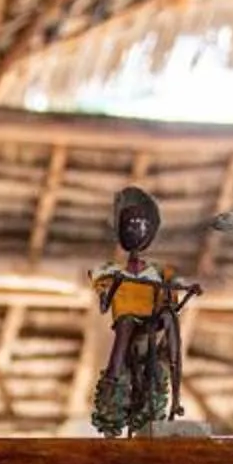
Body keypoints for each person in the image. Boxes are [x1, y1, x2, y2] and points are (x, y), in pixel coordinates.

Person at [91, 184, 198, 435]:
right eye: (129, 224)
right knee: (126, 323)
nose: (135, 229)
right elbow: (104, 305)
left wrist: (189, 289)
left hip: (152, 319)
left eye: (141, 224)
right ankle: (112, 386)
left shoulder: (160, 271)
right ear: (119, 228)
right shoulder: (110, 271)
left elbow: (175, 287)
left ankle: (175, 385)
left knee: (170, 316)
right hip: (127, 320)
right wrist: (111, 288)